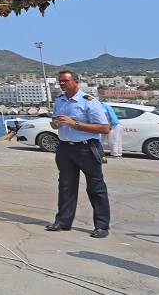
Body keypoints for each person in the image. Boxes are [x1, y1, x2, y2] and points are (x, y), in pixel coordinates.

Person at [45, 70, 111, 238]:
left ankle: (102, 226)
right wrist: (56, 124)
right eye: (60, 81)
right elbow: (58, 122)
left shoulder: (89, 101)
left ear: (76, 82)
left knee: (95, 187)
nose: (61, 83)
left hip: (86, 148)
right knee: (66, 186)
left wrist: (75, 124)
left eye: (65, 81)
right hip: (65, 148)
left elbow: (104, 128)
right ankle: (63, 221)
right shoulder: (59, 101)